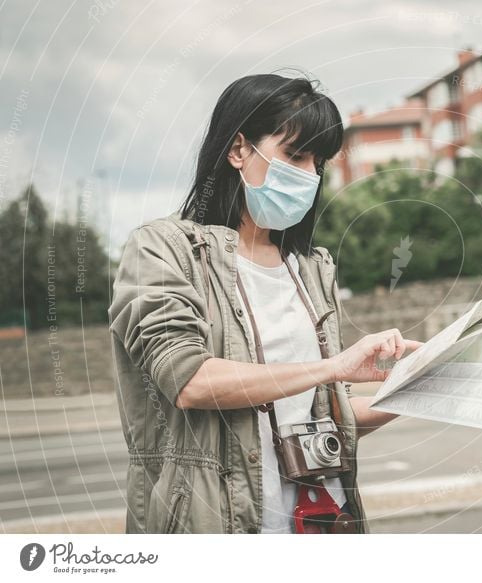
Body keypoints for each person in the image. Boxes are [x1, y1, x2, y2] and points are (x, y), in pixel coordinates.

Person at [108, 72, 422, 534]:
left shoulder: (311, 268)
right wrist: (335, 366)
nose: (310, 174)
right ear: (238, 151)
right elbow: (191, 381)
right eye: (295, 154)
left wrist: (427, 387)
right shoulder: (163, 249)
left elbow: (321, 418)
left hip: (322, 522)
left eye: (319, 162)